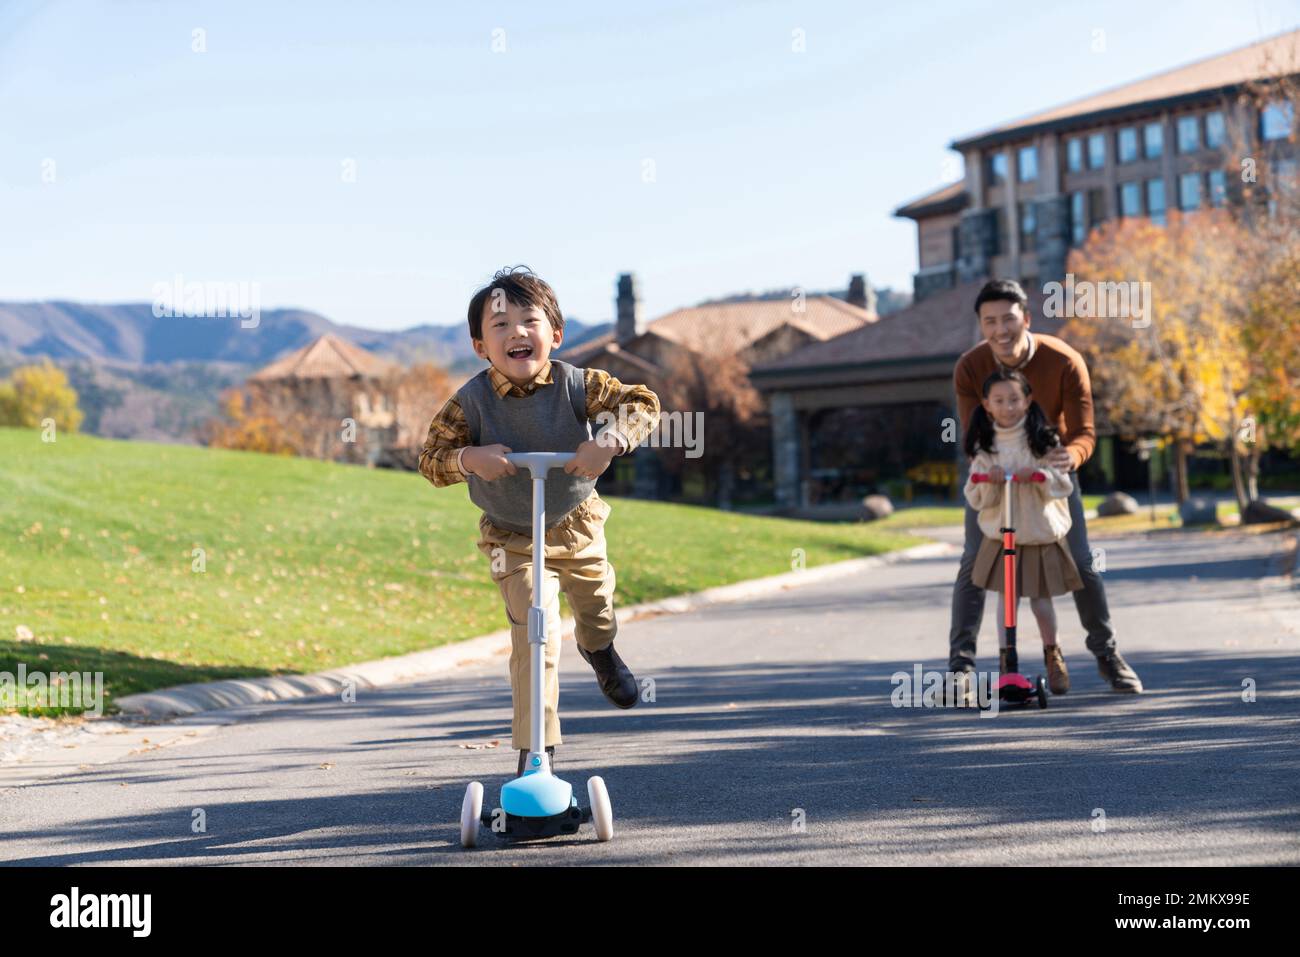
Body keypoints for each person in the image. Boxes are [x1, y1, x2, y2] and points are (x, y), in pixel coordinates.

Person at [418, 265, 661, 776]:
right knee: (536, 629)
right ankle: (536, 755)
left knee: (594, 606)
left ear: (556, 333)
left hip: (577, 522)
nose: (517, 333)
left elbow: (643, 402)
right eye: (500, 326)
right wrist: (469, 459)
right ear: (481, 345)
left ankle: (600, 650)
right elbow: (430, 458)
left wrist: (608, 442)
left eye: (529, 321)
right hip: (512, 536)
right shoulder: (469, 403)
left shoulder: (581, 385)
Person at [950, 278, 1143, 694]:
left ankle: (1107, 656)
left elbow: (1084, 433)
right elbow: (971, 436)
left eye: (1009, 320)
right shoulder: (970, 367)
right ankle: (960, 668)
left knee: (1082, 560)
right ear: (981, 325)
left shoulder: (1063, 360)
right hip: (996, 473)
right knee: (972, 561)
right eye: (990, 322)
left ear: (1027, 319)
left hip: (1048, 471)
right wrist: (986, 470)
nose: (1000, 330)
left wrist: (1067, 459)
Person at [962, 368, 1081, 693]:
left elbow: (1062, 483)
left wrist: (1041, 475)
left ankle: (1053, 653)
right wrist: (991, 479)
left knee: (1041, 600)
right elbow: (974, 491)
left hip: (1036, 532)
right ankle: (1006, 660)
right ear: (987, 405)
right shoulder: (986, 447)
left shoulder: (1043, 439)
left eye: (1014, 399)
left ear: (1027, 400)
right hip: (1004, 534)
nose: (1008, 406)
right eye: (999, 400)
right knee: (1006, 599)